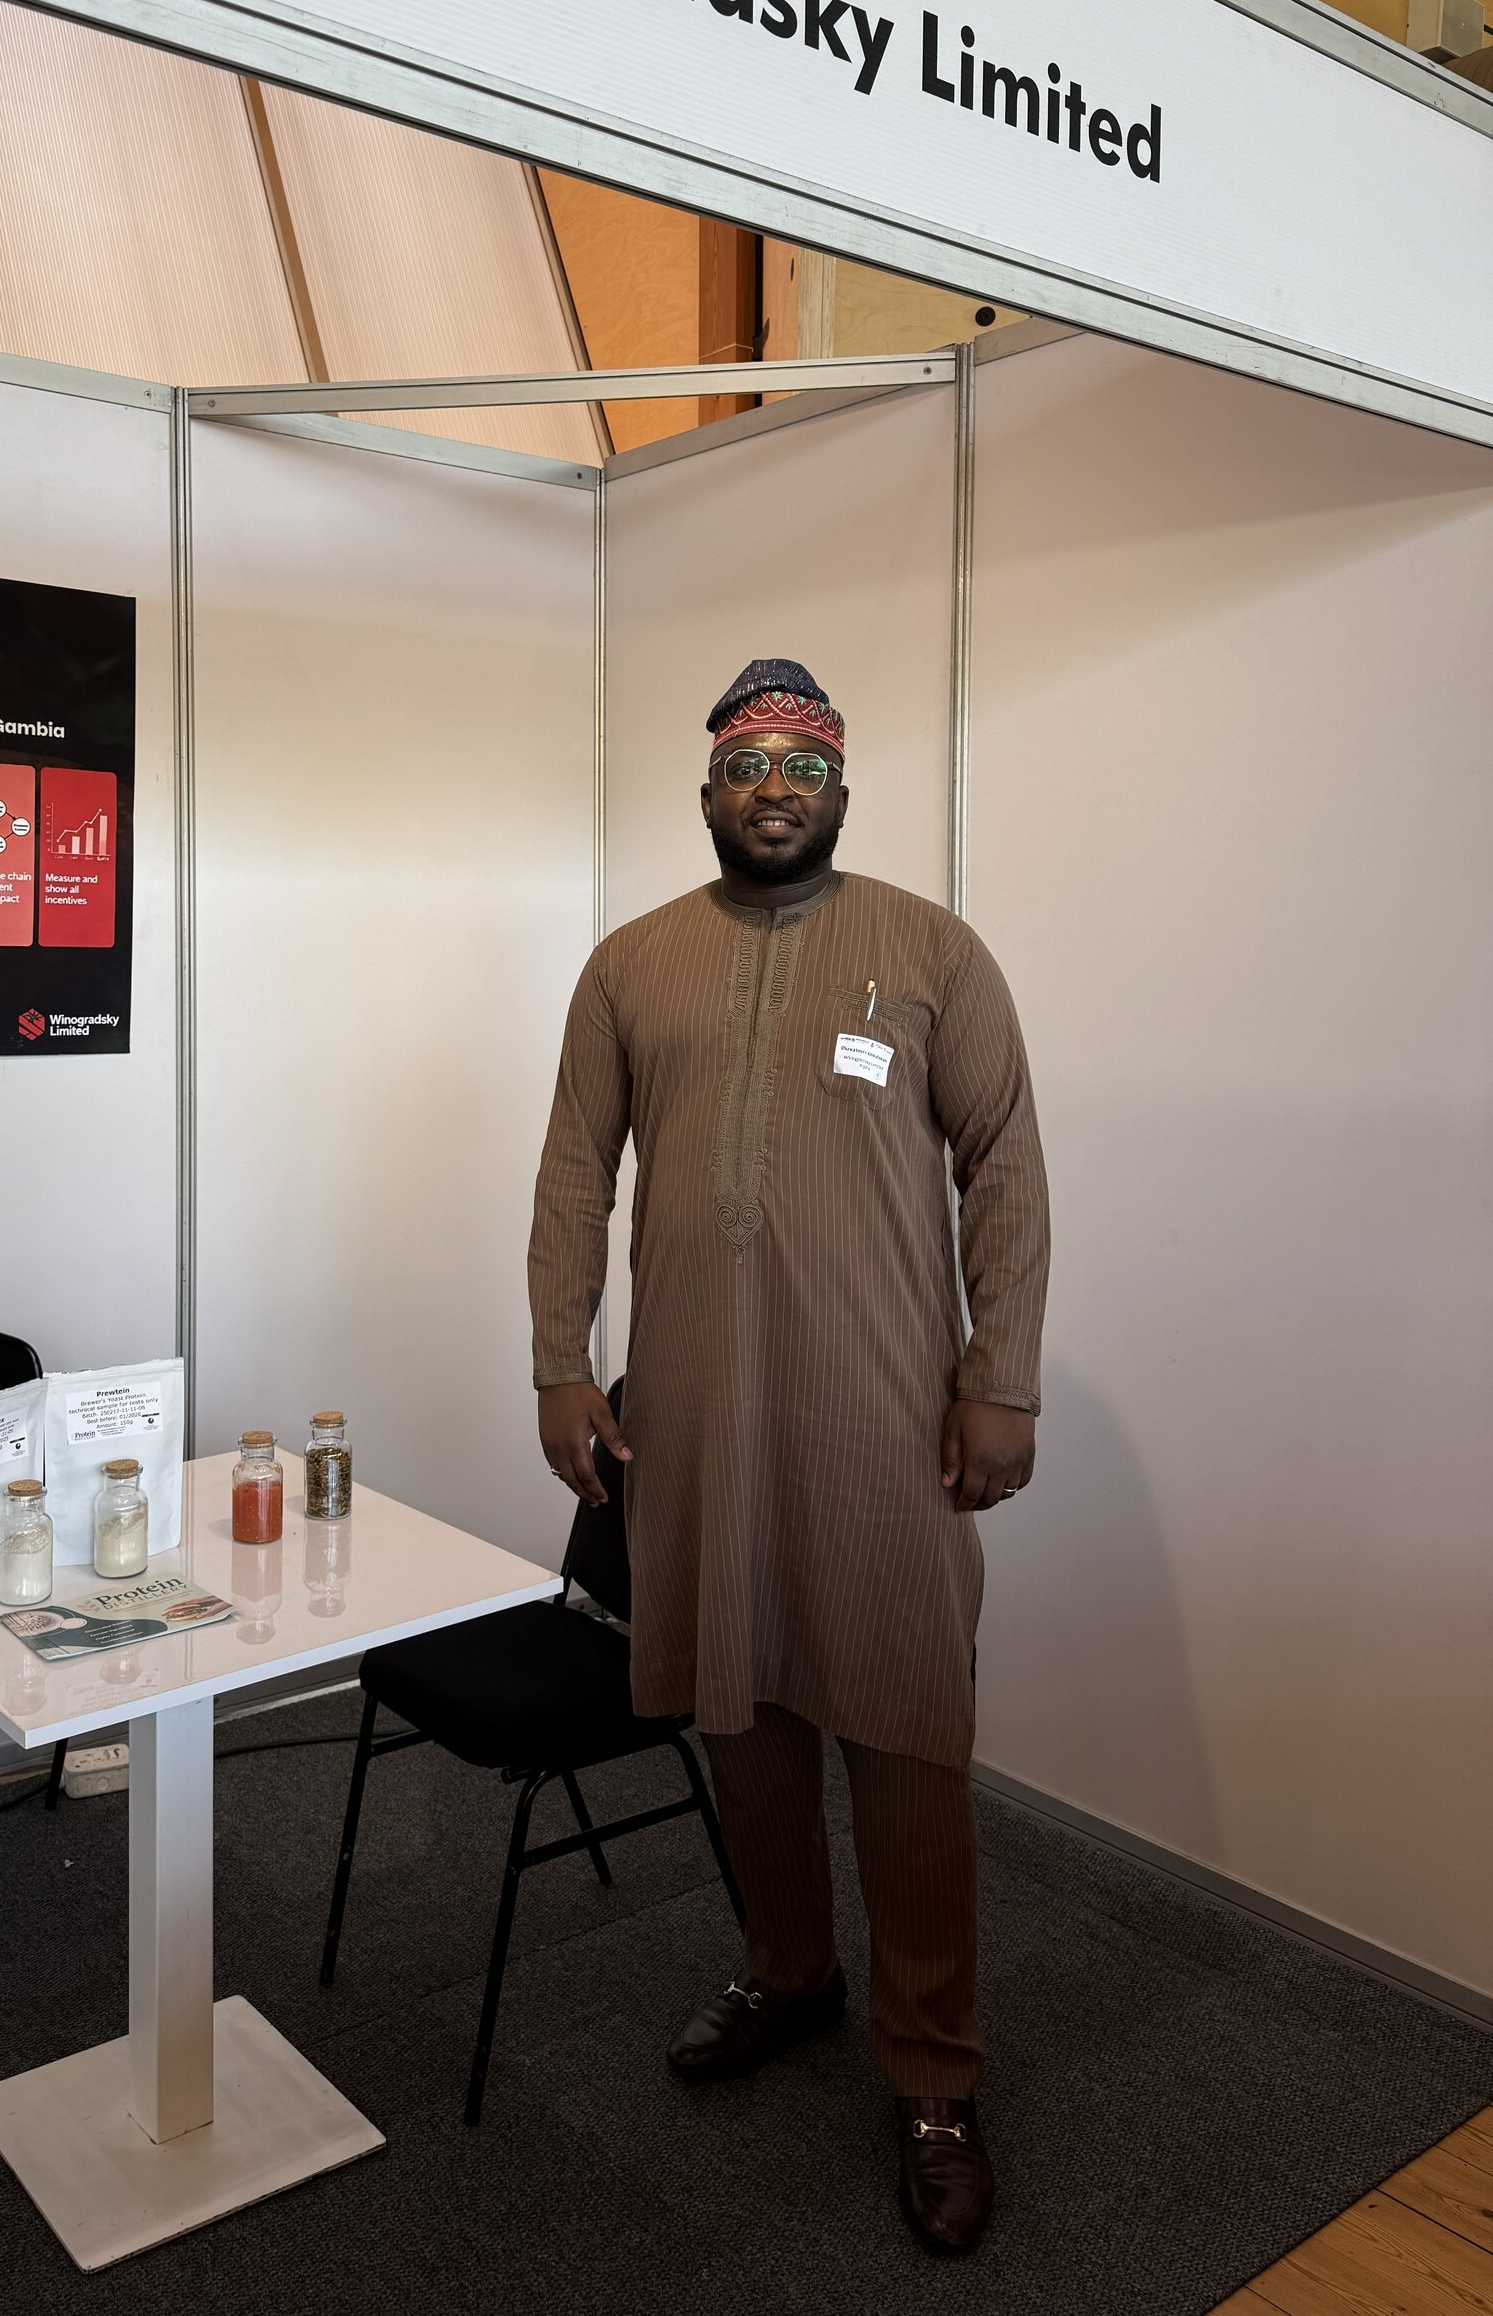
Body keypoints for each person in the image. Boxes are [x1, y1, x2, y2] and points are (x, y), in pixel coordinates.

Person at [528, 656, 1049, 2256]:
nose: (773, 786)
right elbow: (571, 1176)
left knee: (905, 1730)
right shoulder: (631, 964)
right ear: (705, 794)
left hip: (883, 1414)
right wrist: (562, 1363)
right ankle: (791, 1967)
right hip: (694, 1412)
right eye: (746, 762)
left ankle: (938, 2072)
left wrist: (1000, 1379)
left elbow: (1006, 1169)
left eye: (801, 766)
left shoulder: (932, 953)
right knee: (736, 1702)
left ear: (841, 791)